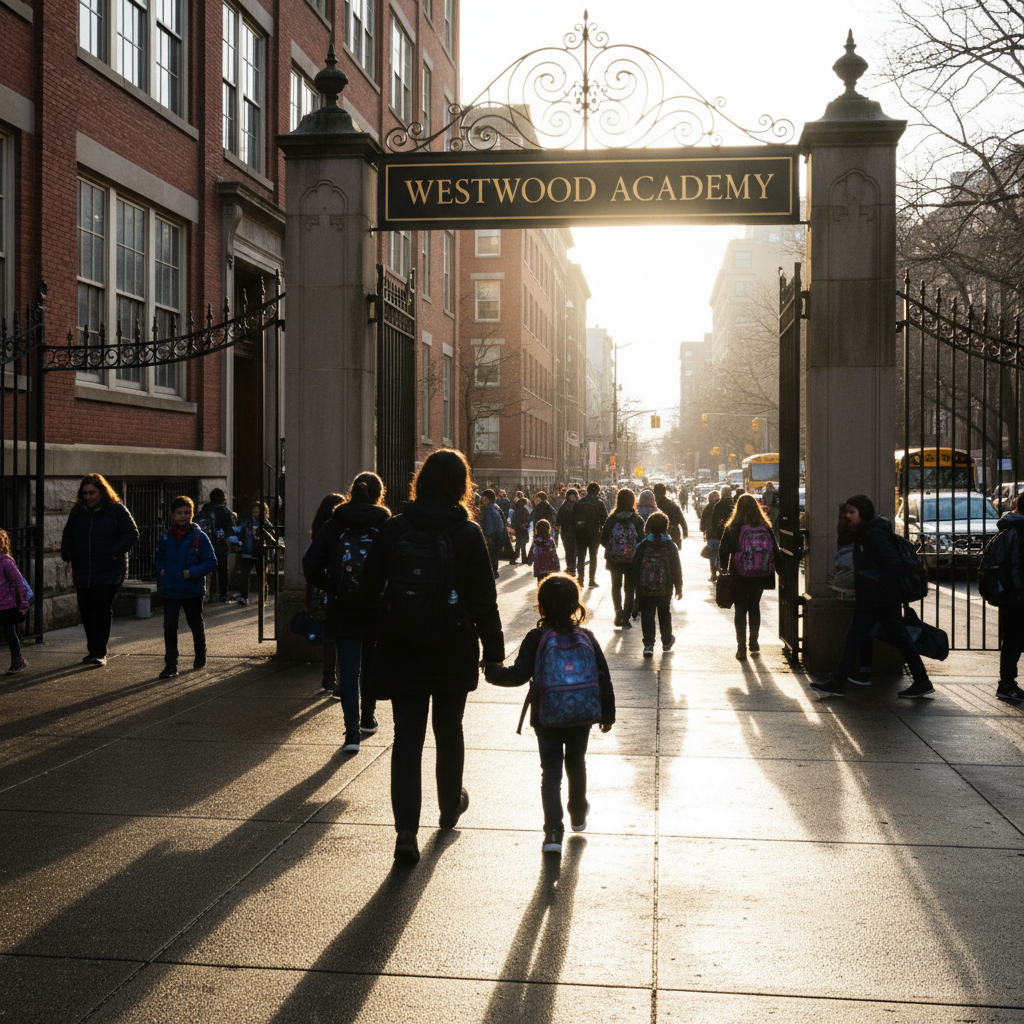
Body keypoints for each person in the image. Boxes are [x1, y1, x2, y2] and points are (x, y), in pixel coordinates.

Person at [360, 448, 505, 864]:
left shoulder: (394, 529)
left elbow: (369, 589)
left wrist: (374, 639)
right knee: (448, 728)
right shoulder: (468, 533)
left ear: (419, 482)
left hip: (401, 645)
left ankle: (406, 830)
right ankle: (448, 806)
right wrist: (493, 654)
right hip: (452, 646)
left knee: (406, 736)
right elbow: (484, 601)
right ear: (462, 485)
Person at [484, 573, 614, 854]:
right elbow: (603, 675)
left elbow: (519, 675)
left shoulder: (536, 637)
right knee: (577, 763)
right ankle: (578, 812)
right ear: (574, 604)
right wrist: (607, 715)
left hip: (547, 716)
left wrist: (492, 671)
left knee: (551, 773)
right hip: (582, 716)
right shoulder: (587, 637)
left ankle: (553, 832)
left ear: (541, 606)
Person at [811, 495, 936, 699]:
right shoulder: (866, 532)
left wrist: (876, 587)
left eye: (852, 512)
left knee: (892, 638)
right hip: (873, 597)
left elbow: (892, 564)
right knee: (859, 637)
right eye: (846, 512)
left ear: (863, 514)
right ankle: (839, 681)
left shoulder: (874, 534)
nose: (847, 516)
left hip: (879, 598)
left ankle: (921, 681)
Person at [303, 473, 391, 748]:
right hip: (376, 605)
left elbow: (310, 565)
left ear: (351, 492)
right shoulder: (387, 525)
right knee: (371, 666)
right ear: (379, 495)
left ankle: (351, 732)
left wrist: (331, 585)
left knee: (349, 669)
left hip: (343, 606)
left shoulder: (334, 525)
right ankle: (368, 719)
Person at [61, 473, 140, 666]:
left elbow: (132, 533)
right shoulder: (78, 511)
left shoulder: (116, 509)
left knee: (101, 609)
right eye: (85, 493)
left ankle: (99, 651)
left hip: (109, 570)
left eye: (92, 493)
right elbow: (68, 534)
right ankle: (92, 650)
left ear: (102, 492)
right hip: (84, 570)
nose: (88, 497)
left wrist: (114, 553)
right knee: (86, 610)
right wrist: (68, 555)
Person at [154, 496, 218, 679]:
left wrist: (193, 572)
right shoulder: (166, 537)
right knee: (169, 628)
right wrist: (161, 570)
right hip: (171, 590)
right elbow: (158, 557)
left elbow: (211, 561)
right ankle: (170, 665)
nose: (183, 516)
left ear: (192, 514)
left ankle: (200, 654)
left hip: (192, 590)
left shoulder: (200, 537)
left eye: (187, 513)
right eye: (179, 513)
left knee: (195, 624)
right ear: (172, 515)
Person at [718, 494, 781, 660]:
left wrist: (723, 568)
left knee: (740, 608)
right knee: (754, 606)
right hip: (760, 574)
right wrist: (781, 572)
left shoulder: (734, 525)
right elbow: (775, 550)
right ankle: (754, 642)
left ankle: (741, 648)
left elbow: (723, 549)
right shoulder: (763, 525)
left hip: (739, 573)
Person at [306, 493, 346, 692]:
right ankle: (334, 675)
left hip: (320, 587)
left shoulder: (318, 530)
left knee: (328, 632)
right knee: (338, 633)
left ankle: (329, 675)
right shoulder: (337, 530)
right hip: (335, 585)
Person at [633, 511, 683, 657]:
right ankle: (666, 640)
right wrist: (678, 586)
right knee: (664, 612)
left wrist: (636, 587)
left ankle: (648, 645)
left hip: (645, 587)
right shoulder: (670, 545)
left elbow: (635, 567)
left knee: (647, 613)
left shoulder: (643, 545)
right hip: (665, 587)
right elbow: (676, 567)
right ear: (666, 526)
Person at [992, 493, 1024, 703]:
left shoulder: (1008, 528)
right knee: (1014, 639)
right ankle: (1006, 683)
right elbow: (1018, 566)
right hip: (1018, 595)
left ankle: (1007, 683)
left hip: (1008, 594)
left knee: (1011, 638)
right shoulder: (1020, 531)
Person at [601, 488, 645, 629]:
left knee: (616, 586)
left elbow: (603, 540)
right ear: (633, 501)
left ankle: (618, 612)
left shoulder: (612, 519)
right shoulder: (637, 520)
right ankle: (626, 616)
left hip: (614, 560)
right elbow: (642, 540)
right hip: (632, 560)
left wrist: (613, 548)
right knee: (629, 588)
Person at [0, 528, 32, 674]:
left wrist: (24, 602)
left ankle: (17, 660)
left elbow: (19, 581)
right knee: (8, 632)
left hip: (6, 605)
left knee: (9, 632)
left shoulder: (5, 562)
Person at [198, 488, 237, 602]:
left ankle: (211, 594)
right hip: (220, 544)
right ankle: (223, 594)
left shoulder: (206, 508)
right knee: (222, 569)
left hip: (207, 542)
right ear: (222, 498)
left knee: (211, 569)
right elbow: (230, 528)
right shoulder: (224, 510)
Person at [234, 501, 275, 606]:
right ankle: (244, 597)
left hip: (260, 552)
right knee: (244, 576)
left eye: (257, 512)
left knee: (261, 576)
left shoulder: (265, 523)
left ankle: (262, 597)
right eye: (253, 512)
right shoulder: (247, 522)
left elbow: (272, 536)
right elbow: (241, 535)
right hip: (247, 552)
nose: (255, 514)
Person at [575, 482, 609, 587]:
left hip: (581, 533)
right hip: (594, 534)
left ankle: (580, 579)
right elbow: (605, 520)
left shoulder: (579, 503)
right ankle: (591, 580)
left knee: (581, 556)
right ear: (598, 492)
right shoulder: (599, 503)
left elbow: (574, 518)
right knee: (593, 557)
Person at [709, 487, 735, 581]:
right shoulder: (734, 504)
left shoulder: (718, 506)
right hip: (734, 534)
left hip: (721, 534)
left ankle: (721, 571)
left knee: (722, 552)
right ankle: (731, 571)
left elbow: (714, 522)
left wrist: (718, 532)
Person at [479, 488, 506, 579]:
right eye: (482, 499)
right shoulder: (494, 508)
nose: (482, 501)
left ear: (490, 500)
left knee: (490, 561)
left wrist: (485, 537)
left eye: (484, 499)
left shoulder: (490, 510)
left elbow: (491, 528)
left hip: (491, 541)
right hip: (494, 541)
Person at [555, 487, 581, 579]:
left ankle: (572, 567)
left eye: (574, 496)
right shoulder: (565, 506)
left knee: (573, 550)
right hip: (566, 531)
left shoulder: (578, 505)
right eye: (571, 496)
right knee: (568, 550)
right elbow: (558, 518)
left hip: (575, 532)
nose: (572, 498)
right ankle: (570, 567)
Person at [653, 482, 687, 547]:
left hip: (656, 535)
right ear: (665, 492)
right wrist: (685, 531)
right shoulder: (672, 505)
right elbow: (681, 519)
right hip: (673, 533)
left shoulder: (653, 506)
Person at [699, 490, 720, 580]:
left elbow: (703, 520)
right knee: (720, 554)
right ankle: (720, 569)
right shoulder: (721, 507)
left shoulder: (707, 507)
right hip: (720, 534)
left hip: (711, 535)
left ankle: (713, 573)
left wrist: (703, 529)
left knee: (712, 555)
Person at [511, 496, 532, 564]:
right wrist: (526, 524)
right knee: (523, 545)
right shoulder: (524, 510)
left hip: (517, 529)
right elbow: (527, 519)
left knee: (518, 544)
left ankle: (514, 558)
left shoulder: (515, 510)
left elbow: (514, 520)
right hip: (523, 529)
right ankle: (523, 558)